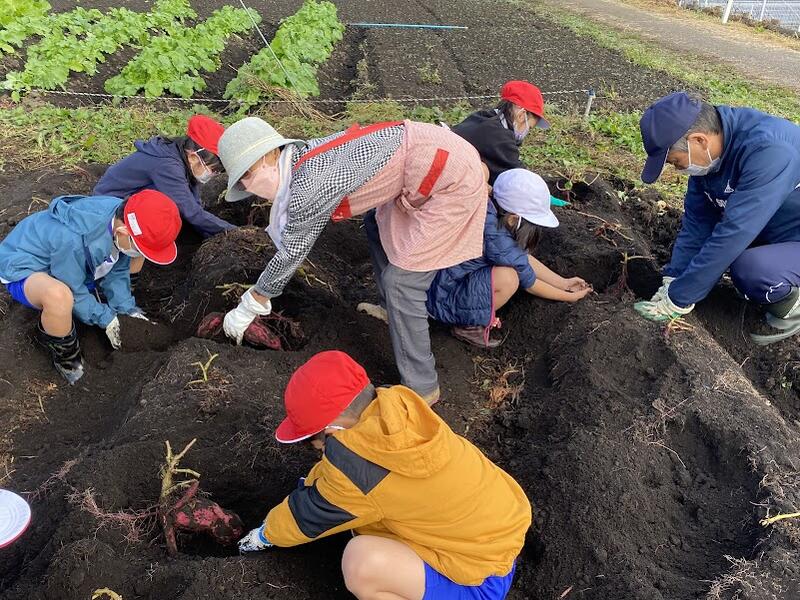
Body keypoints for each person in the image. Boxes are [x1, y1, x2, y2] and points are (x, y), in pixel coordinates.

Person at [217, 117, 488, 404]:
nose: (248, 185)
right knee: (375, 224)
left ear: (270, 154)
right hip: (428, 161)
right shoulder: (301, 159)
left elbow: (292, 251)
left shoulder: (310, 183)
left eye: (247, 174)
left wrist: (252, 302)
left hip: (449, 180)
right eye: (242, 180)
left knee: (401, 283)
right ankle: (390, 311)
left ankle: (422, 388)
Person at [238, 350, 532, 600]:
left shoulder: (357, 471)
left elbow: (306, 516)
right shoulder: (396, 413)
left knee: (362, 563)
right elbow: (337, 475)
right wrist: (313, 484)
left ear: (331, 430)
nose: (316, 449)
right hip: (492, 539)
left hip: (477, 580)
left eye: (312, 441)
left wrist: (263, 535)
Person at [634, 92, 800, 344]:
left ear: (699, 140)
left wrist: (679, 298)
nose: (677, 169)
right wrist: (674, 278)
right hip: (777, 226)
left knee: (751, 269)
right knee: (726, 251)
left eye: (675, 161)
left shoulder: (769, 151)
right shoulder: (713, 157)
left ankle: (792, 310)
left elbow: (735, 232)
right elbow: (697, 222)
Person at [0, 191, 181, 383]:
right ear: (122, 232)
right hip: (25, 266)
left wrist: (127, 310)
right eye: (136, 248)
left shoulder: (122, 216)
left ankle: (97, 309)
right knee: (60, 297)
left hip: (65, 262)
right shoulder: (74, 240)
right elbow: (73, 289)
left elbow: (118, 269)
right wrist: (107, 318)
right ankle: (67, 358)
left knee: (136, 253)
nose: (137, 254)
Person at [427, 169, 592, 348]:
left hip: (438, 281)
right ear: (513, 220)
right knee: (508, 279)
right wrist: (569, 297)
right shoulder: (496, 238)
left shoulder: (488, 211)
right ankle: (468, 326)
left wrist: (564, 283)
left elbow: (521, 259)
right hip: (441, 298)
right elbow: (530, 283)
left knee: (511, 267)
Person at [94, 114, 233, 244]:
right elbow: (191, 212)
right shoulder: (168, 167)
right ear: (193, 157)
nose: (214, 174)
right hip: (108, 209)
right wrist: (234, 231)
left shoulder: (180, 157)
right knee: (168, 216)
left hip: (129, 198)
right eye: (213, 170)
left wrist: (211, 233)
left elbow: (194, 206)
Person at [451, 80, 550, 185]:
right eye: (529, 127)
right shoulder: (501, 138)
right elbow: (522, 179)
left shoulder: (481, 117)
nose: (527, 132)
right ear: (521, 115)